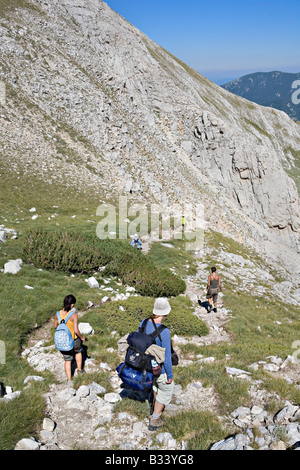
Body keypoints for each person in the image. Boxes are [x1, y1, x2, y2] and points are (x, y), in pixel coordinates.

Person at [138, 298, 174, 431]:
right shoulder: (164, 331)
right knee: (166, 389)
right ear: (165, 313)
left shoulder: (144, 322)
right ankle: (155, 419)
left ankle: (154, 405)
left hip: (145, 364)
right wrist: (170, 375)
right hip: (159, 368)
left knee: (155, 385)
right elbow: (167, 357)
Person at [54, 294, 86, 382]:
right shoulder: (74, 315)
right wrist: (82, 337)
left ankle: (69, 379)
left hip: (63, 341)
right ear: (72, 304)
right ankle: (79, 370)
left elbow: (55, 326)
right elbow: (76, 330)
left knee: (67, 360)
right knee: (78, 352)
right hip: (74, 340)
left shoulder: (57, 314)